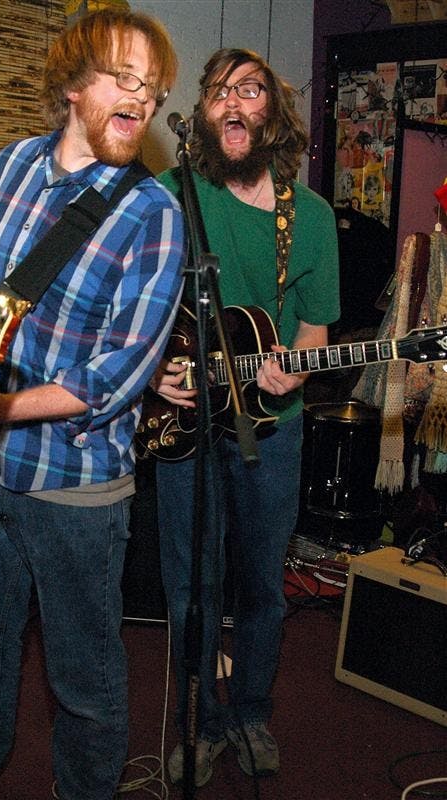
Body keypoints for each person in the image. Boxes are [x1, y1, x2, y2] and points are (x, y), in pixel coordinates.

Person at [0, 8, 184, 800]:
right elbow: (6, 290)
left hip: (76, 486)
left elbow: (111, 382)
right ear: (71, 83)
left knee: (84, 681)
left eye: (154, 90)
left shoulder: (151, 214)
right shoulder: (19, 162)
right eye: (125, 79)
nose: (144, 100)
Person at [150, 48, 340, 787]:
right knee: (189, 585)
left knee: (262, 581)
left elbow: (315, 333)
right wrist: (154, 376)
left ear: (273, 113)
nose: (233, 104)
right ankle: (196, 723)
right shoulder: (169, 196)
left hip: (272, 428)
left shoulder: (312, 216)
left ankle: (251, 713)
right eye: (219, 92)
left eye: (250, 91)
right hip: (186, 426)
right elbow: (133, 311)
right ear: (200, 112)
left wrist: (290, 367)